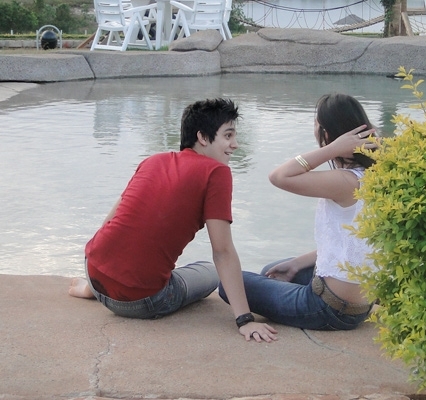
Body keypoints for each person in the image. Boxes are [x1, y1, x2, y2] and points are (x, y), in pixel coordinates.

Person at [69, 98, 278, 343]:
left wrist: (97, 282)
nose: (235, 144)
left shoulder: (153, 160)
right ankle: (110, 289)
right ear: (202, 137)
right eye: (228, 135)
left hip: (93, 271)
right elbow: (222, 252)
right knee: (212, 273)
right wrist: (245, 320)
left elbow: (110, 223)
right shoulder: (217, 172)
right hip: (140, 301)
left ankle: (91, 290)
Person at [219, 93, 378, 330]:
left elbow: (279, 176)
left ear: (326, 133)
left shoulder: (346, 181)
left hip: (330, 309)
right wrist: (297, 263)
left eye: (316, 124)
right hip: (359, 304)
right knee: (273, 270)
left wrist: (332, 149)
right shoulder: (373, 173)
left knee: (229, 284)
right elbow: (349, 243)